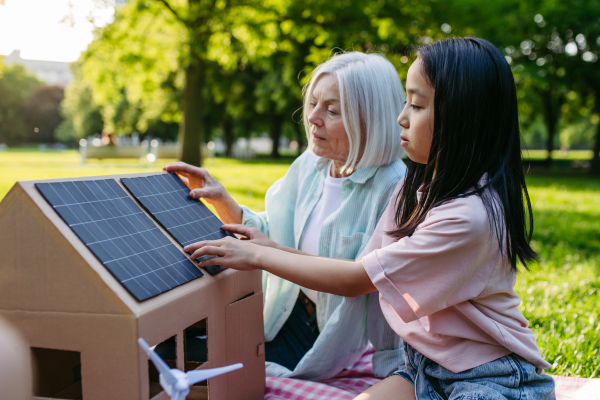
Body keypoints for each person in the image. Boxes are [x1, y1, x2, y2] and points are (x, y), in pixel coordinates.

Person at [185, 37, 556, 400]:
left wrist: (258, 255)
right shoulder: (415, 189)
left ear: (461, 117)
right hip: (423, 367)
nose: (401, 117)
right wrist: (268, 246)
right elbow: (361, 267)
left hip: (488, 375)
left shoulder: (468, 217)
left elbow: (356, 280)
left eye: (416, 105)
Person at [165, 51, 408, 380]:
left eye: (332, 110)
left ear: (369, 119)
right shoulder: (312, 165)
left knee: (212, 368)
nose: (313, 118)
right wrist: (222, 200)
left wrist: (262, 253)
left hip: (325, 332)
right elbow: (272, 231)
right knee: (172, 349)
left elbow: (363, 282)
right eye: (314, 103)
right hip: (281, 307)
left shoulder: (392, 187)